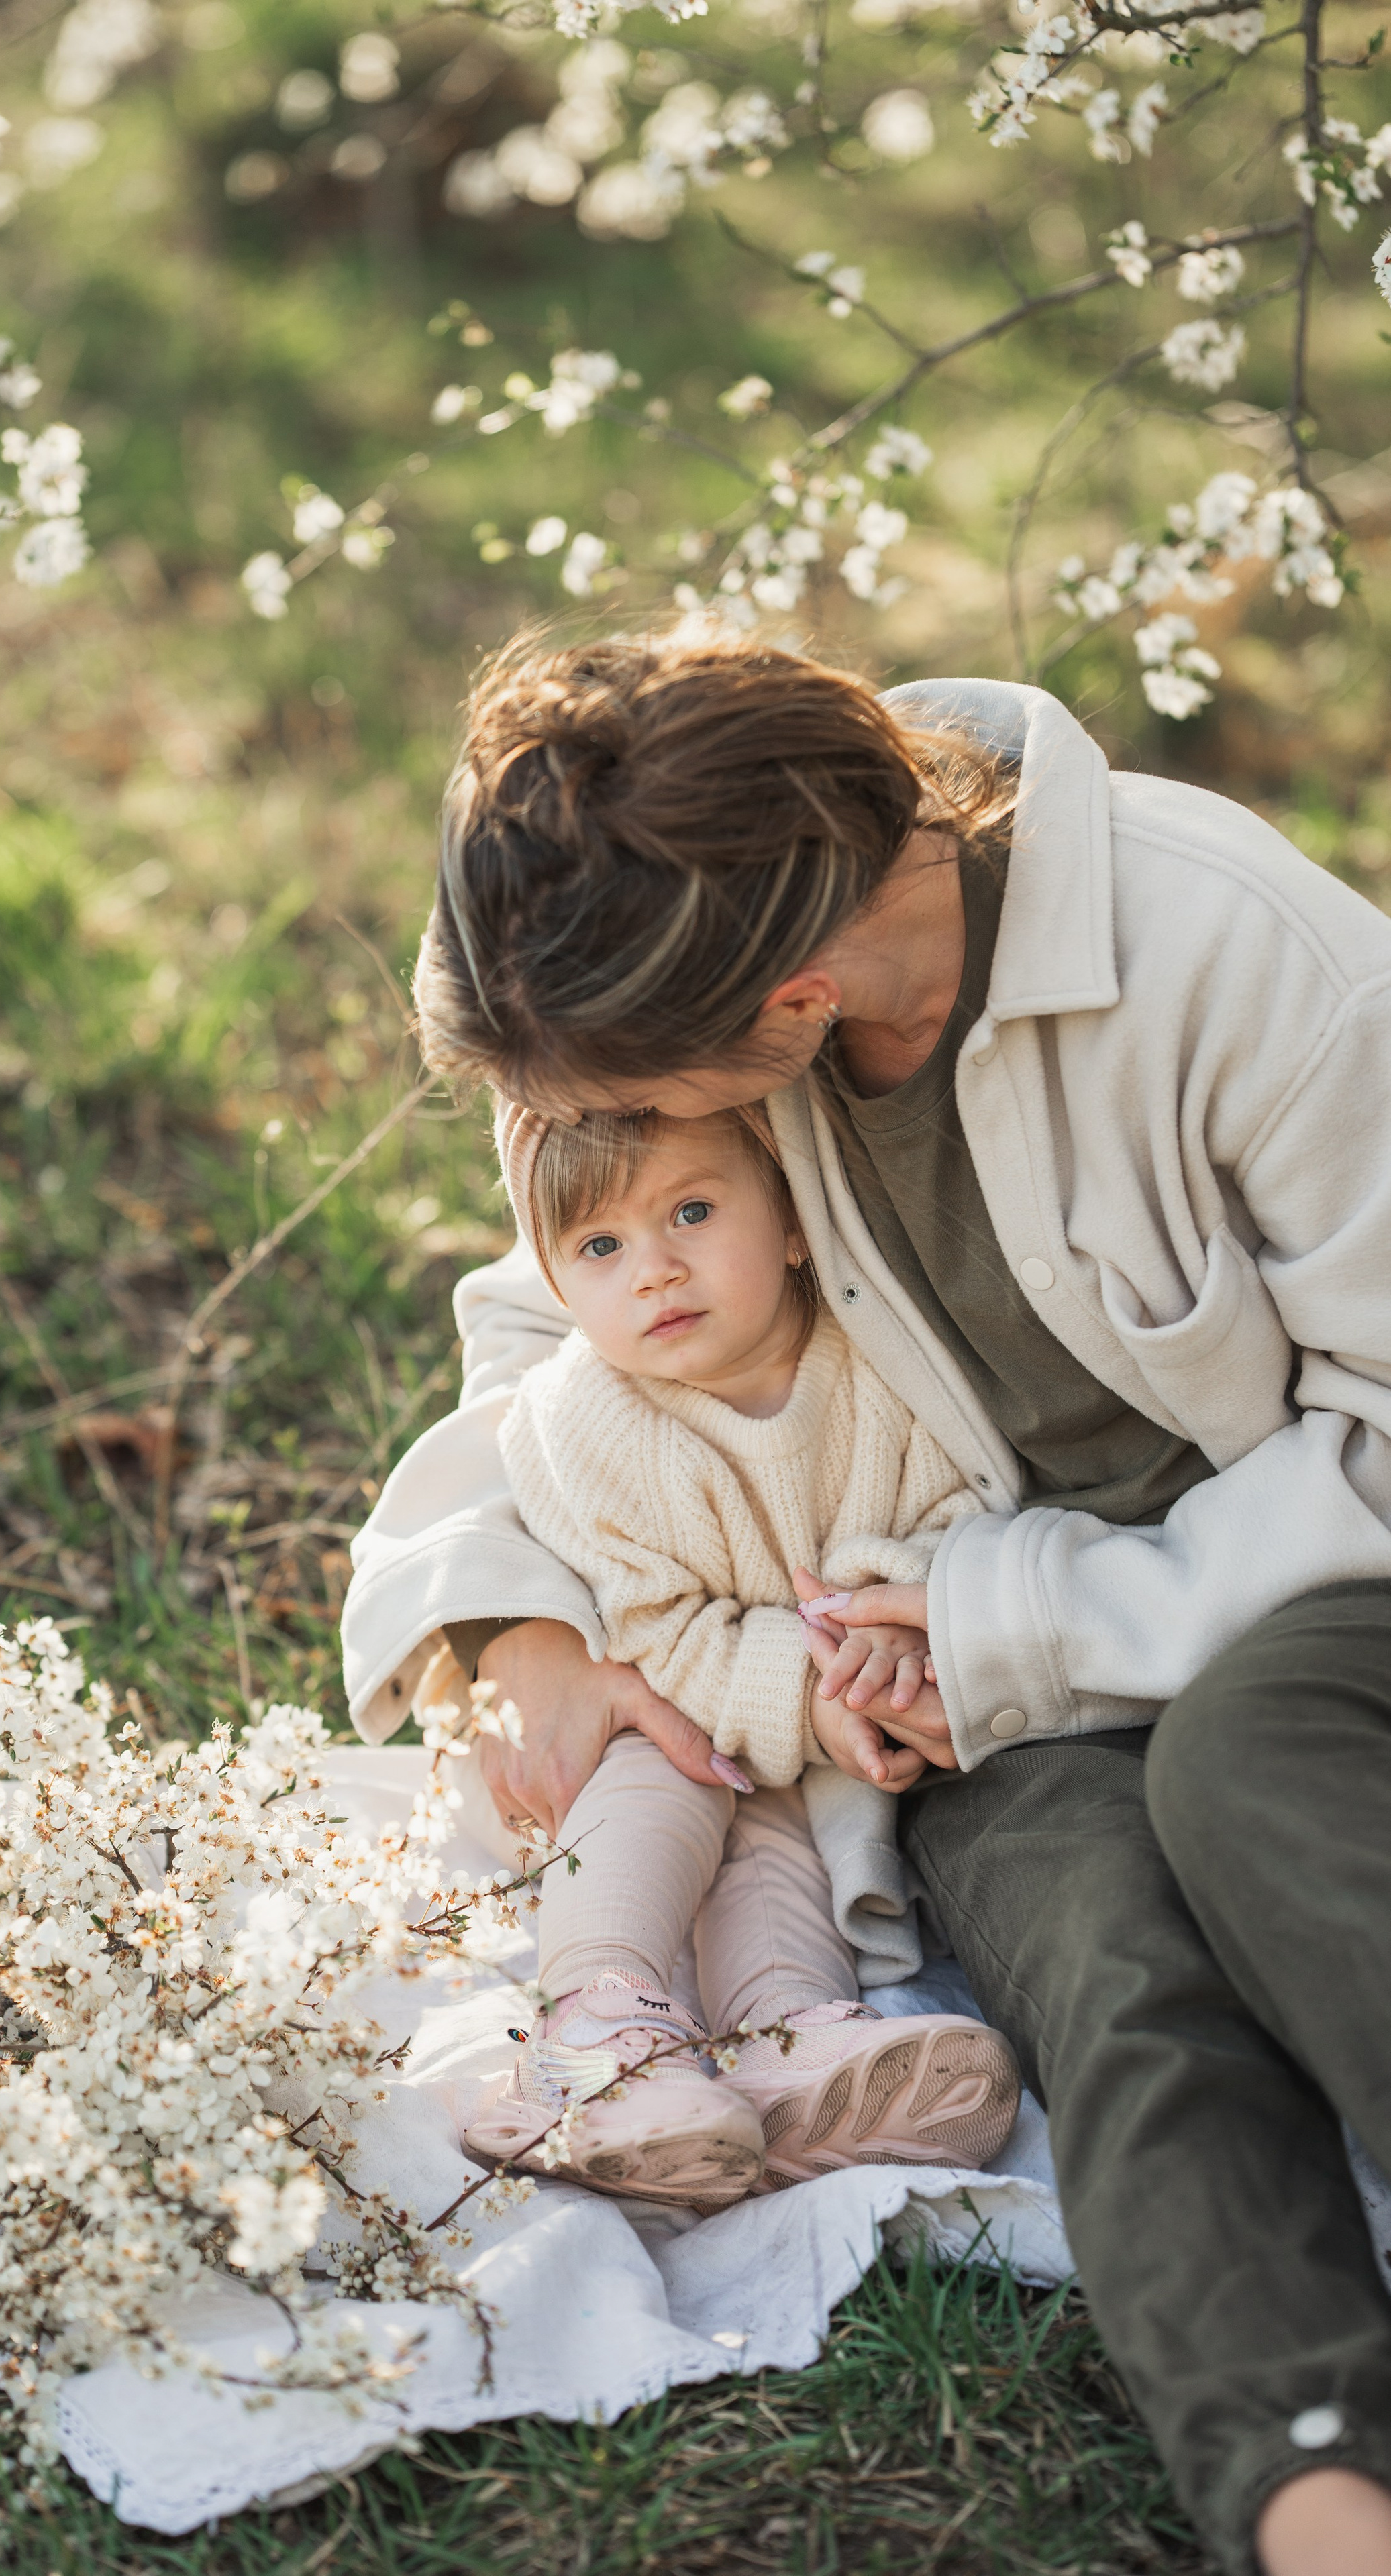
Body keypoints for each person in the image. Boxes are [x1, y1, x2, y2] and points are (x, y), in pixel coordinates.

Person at [340, 628, 1391, 2576]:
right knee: (1109, 1972)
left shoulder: (1242, 960)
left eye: (626, 1093)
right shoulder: (699, 984)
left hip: (1315, 1582)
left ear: (794, 1004)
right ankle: (1323, 2497)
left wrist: (1024, 1625)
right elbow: (549, 1317)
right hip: (960, 1693)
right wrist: (514, 1627)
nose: (605, 1135)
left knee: (1247, 1780)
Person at [457, 1095, 1021, 2204]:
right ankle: (589, 2027)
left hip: (816, 1746)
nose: (655, 1272)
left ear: (796, 1220)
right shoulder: (584, 1420)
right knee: (674, 1771)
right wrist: (808, 1692)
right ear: (559, 1288)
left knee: (786, 1835)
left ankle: (781, 2046)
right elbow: (651, 1628)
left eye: (693, 1213)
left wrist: (892, 1624)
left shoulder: (886, 1365)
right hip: (661, 1712)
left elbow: (961, 1505)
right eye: (602, 1247)